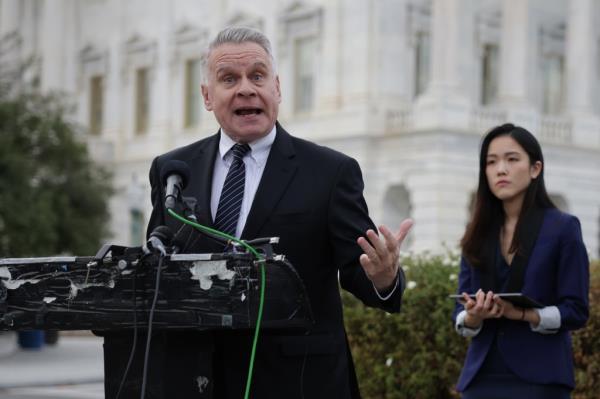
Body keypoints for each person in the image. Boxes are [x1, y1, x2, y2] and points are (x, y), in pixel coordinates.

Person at [103, 26, 413, 399]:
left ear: (277, 88)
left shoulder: (331, 172)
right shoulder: (172, 170)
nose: (246, 88)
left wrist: (384, 278)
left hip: (297, 382)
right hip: (194, 378)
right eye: (229, 78)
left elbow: (362, 274)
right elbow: (159, 267)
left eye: (258, 76)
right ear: (207, 95)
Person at [452, 123, 589, 398]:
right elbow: (460, 317)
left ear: (535, 168)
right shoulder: (476, 232)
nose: (500, 169)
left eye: (511, 159)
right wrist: (474, 316)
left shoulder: (563, 228)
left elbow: (576, 311)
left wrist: (524, 314)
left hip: (541, 378)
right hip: (480, 378)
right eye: (491, 162)